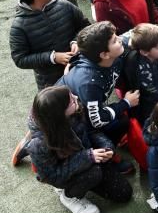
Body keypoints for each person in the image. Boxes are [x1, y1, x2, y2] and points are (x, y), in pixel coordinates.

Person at [27, 86, 132, 213]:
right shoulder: (38, 145)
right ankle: (69, 196)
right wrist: (88, 157)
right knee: (94, 173)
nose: (76, 98)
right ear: (59, 114)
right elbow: (53, 177)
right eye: (71, 100)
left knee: (124, 194)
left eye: (72, 95)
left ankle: (91, 173)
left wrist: (106, 147)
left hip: (88, 156)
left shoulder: (75, 111)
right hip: (73, 172)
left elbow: (92, 131)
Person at [59, 21, 139, 157]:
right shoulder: (89, 82)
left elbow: (136, 32)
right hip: (73, 123)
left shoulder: (112, 52)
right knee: (120, 123)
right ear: (104, 55)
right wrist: (125, 103)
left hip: (88, 109)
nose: (120, 39)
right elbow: (97, 120)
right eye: (115, 40)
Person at [9, 0, 90, 92]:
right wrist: (52, 57)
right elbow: (20, 59)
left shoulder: (65, 6)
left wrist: (76, 42)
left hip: (81, 68)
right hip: (51, 82)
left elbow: (85, 26)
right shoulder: (19, 27)